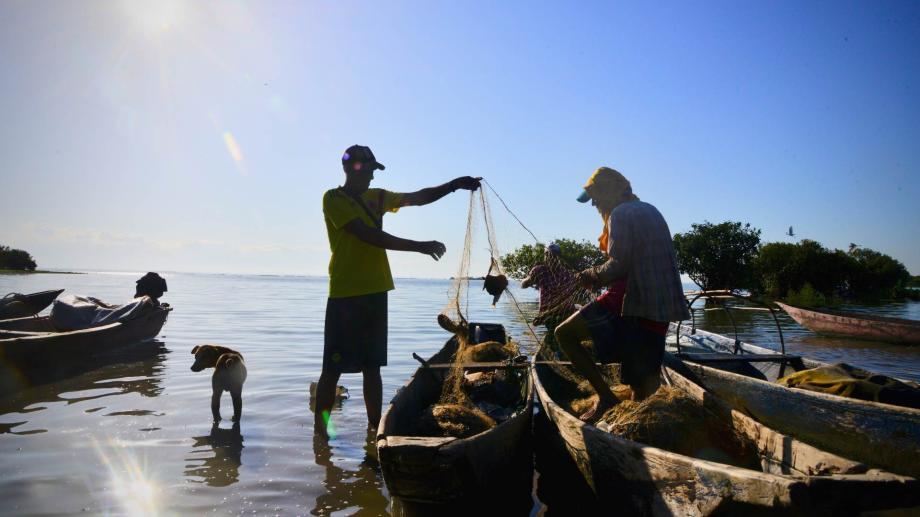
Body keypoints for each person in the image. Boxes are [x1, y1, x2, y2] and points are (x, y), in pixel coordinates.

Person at [315, 144, 481, 437]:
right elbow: (368, 235)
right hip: (344, 293)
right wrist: (419, 246)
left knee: (372, 367)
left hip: (376, 291)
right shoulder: (333, 198)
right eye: (368, 170)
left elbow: (418, 197)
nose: (371, 176)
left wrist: (455, 185)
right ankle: (321, 435)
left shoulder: (377, 197)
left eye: (373, 171)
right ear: (352, 168)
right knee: (333, 369)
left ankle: (374, 431)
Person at [554, 167, 689, 422]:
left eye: (595, 195)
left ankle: (606, 397)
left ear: (609, 191)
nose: (594, 202)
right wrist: (603, 277)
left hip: (631, 301)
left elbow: (620, 264)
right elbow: (637, 261)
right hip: (660, 306)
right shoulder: (651, 210)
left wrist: (592, 274)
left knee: (564, 334)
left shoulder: (619, 214)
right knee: (643, 392)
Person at [520, 242, 576, 335]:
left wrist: (528, 277)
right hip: (563, 313)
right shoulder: (566, 273)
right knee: (559, 335)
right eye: (549, 255)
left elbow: (523, 285)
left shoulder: (540, 270)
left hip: (551, 315)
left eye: (551, 255)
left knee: (555, 337)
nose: (551, 258)